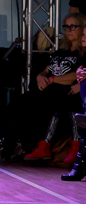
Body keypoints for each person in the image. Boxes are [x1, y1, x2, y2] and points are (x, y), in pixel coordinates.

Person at [23, 13, 84, 166]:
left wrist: (52, 80)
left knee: (65, 101)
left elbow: (75, 76)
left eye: (73, 26)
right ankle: (36, 145)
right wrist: (41, 77)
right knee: (26, 100)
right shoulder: (60, 52)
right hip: (53, 91)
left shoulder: (82, 54)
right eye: (66, 27)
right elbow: (46, 70)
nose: (68, 30)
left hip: (69, 92)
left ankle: (74, 146)